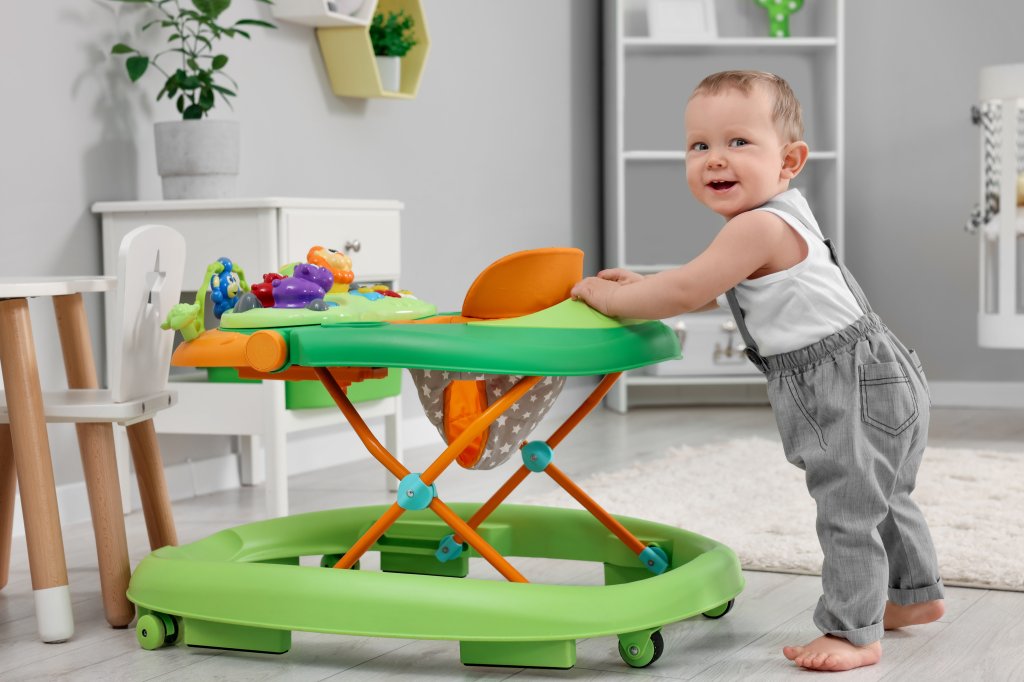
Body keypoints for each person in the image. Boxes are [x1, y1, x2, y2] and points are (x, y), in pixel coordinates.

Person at [570, 70, 945, 672]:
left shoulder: (756, 224)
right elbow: (704, 281)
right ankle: (911, 595)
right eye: (700, 146)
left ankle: (853, 632)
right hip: (879, 370)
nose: (716, 158)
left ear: (789, 159)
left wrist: (606, 299)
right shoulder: (779, 214)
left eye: (738, 142)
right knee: (884, 492)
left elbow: (690, 287)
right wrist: (648, 284)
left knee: (848, 505)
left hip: (843, 381)